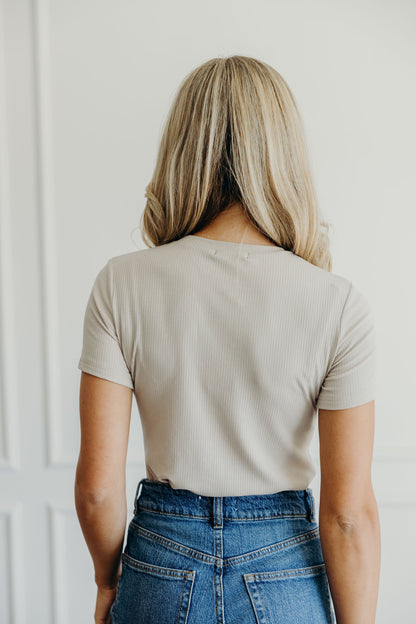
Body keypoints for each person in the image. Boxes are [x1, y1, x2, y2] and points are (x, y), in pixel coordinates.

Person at [74, 55, 380, 624]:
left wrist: (104, 579)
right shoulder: (337, 305)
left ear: (182, 151)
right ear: (284, 154)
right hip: (285, 563)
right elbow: (347, 515)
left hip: (159, 565)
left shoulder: (121, 284)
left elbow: (96, 489)